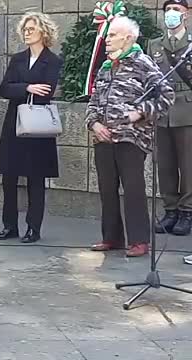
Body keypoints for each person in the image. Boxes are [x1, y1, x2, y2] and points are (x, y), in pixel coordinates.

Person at [87, 17, 174, 257]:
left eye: (113, 35)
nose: (107, 39)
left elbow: (166, 95)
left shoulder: (142, 63)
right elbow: (94, 101)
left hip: (132, 137)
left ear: (128, 38)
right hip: (103, 137)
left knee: (133, 188)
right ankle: (111, 237)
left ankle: (139, 241)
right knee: (106, 188)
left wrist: (140, 113)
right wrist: (94, 124)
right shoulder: (106, 67)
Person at [0, 12, 63, 243]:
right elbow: (4, 88)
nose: (27, 32)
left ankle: (34, 227)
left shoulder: (52, 60)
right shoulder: (17, 59)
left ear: (43, 32)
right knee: (9, 178)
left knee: (36, 178)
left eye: (31, 29)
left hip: (38, 124)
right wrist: (28, 87)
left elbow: (48, 89)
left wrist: (24, 87)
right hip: (15, 122)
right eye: (25, 29)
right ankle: (9, 225)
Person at [147, 0, 192, 236]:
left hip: (186, 110)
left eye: (177, 10)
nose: (171, 14)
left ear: (186, 15)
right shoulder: (154, 44)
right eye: (168, 10)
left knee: (188, 165)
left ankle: (187, 211)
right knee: (164, 165)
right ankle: (170, 209)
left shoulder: (191, 44)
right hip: (162, 111)